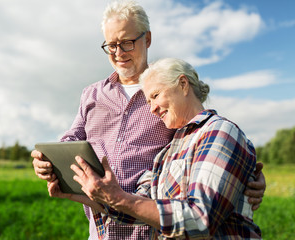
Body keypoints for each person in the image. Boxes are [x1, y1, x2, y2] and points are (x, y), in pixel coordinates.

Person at [32, 1, 265, 239]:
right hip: (104, 227)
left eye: (127, 43)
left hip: (153, 228)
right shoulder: (92, 95)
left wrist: (243, 175)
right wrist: (49, 161)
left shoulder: (171, 91)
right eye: (111, 45)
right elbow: (71, 140)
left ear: (148, 39)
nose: (118, 53)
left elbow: (209, 141)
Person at [59, 58, 262, 239]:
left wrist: (119, 198)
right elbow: (140, 207)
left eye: (155, 95)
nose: (152, 108)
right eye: (148, 101)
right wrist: (80, 194)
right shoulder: (166, 152)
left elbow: (200, 220)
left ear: (183, 84)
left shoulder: (219, 132)